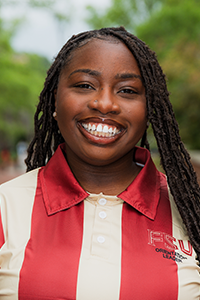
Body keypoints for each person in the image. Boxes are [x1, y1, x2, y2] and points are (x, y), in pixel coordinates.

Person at [0, 26, 200, 300]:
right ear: (54, 99)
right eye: (84, 85)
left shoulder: (192, 212)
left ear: (150, 109)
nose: (105, 104)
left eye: (127, 90)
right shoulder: (5, 207)